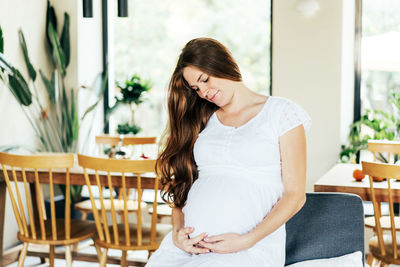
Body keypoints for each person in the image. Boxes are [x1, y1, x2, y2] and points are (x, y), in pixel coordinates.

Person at [146, 37, 311, 267]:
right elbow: (183, 188)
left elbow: (295, 196)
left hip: (248, 249)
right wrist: (177, 234)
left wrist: (247, 240)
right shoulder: (203, 119)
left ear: (222, 64)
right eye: (196, 88)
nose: (203, 91)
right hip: (187, 250)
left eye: (205, 80)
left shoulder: (282, 113)